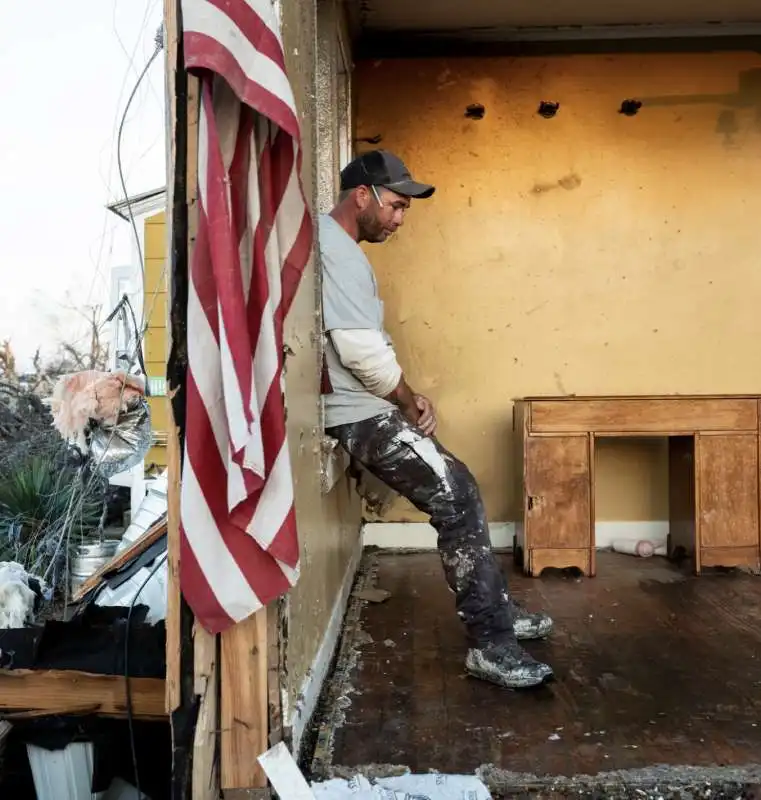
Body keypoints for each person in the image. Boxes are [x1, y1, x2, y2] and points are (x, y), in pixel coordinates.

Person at [320, 149, 554, 689]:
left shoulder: (335, 247)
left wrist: (405, 397)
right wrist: (406, 399)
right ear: (363, 196)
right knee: (459, 493)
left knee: (459, 489)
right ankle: (493, 644)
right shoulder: (338, 252)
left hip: (368, 405)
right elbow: (359, 352)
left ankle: (496, 611)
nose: (400, 220)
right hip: (358, 414)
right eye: (396, 207)